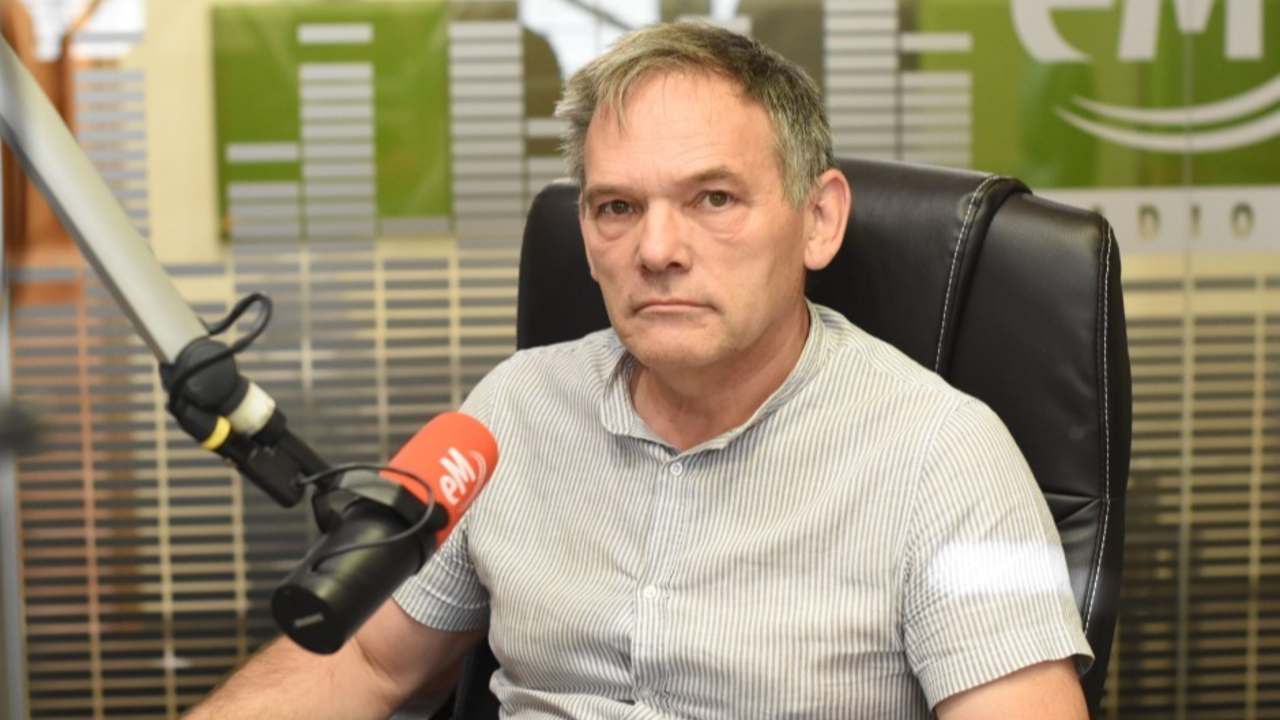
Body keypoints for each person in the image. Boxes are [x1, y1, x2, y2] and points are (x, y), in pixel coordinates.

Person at [183, 22, 1094, 720]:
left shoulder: (943, 456)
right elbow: (364, 660)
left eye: (713, 199)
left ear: (819, 220)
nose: (656, 249)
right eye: (617, 207)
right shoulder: (513, 412)